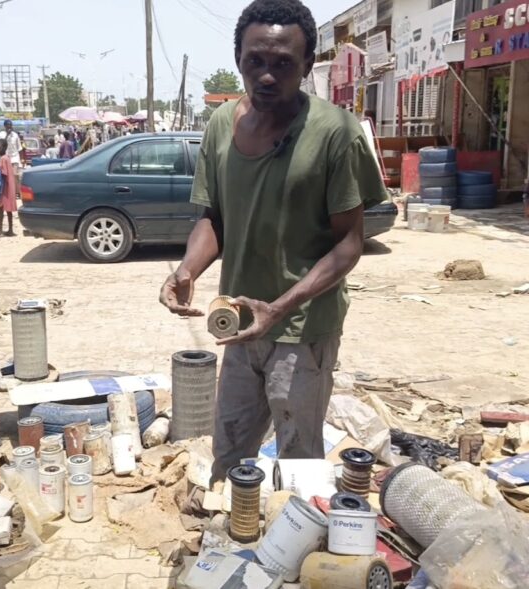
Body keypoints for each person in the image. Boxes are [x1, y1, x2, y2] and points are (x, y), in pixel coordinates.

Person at [159, 0, 385, 485]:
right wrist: (186, 271)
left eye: (283, 64)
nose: (266, 76)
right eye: (254, 62)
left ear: (306, 66)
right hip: (240, 325)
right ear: (239, 58)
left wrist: (280, 307)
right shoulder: (221, 126)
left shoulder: (336, 135)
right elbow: (213, 218)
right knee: (230, 452)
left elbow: (349, 244)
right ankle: (231, 539)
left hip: (302, 329)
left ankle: (292, 554)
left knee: (299, 463)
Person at [0, 138, 20, 236]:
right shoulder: (6, 158)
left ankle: (0, 230)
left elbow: (3, 172)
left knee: (1, 209)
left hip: (4, 188)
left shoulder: (3, 159)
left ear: (4, 148)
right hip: (8, 187)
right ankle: (10, 230)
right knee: (8, 210)